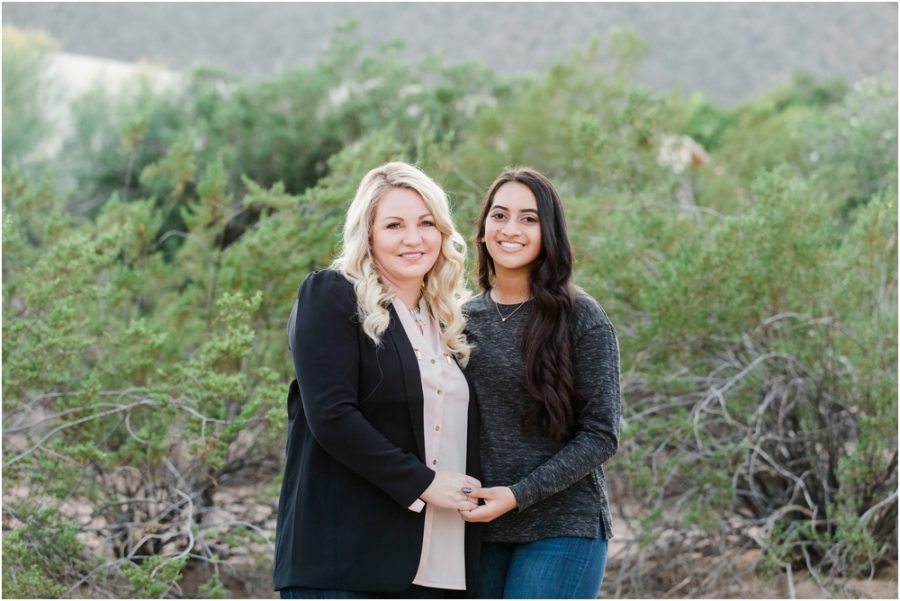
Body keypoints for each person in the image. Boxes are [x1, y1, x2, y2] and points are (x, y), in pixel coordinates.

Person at [273, 162, 482, 598]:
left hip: (440, 566)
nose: (414, 238)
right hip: (346, 565)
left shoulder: (450, 323)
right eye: (394, 225)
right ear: (368, 235)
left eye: (426, 223)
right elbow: (331, 416)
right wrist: (424, 483)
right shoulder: (331, 294)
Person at [460, 167, 621, 599]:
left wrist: (517, 495)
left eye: (528, 219)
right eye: (500, 215)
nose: (511, 229)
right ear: (483, 229)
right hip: (479, 529)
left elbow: (601, 434)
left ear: (548, 231)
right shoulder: (456, 320)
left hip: (563, 526)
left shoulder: (581, 318)